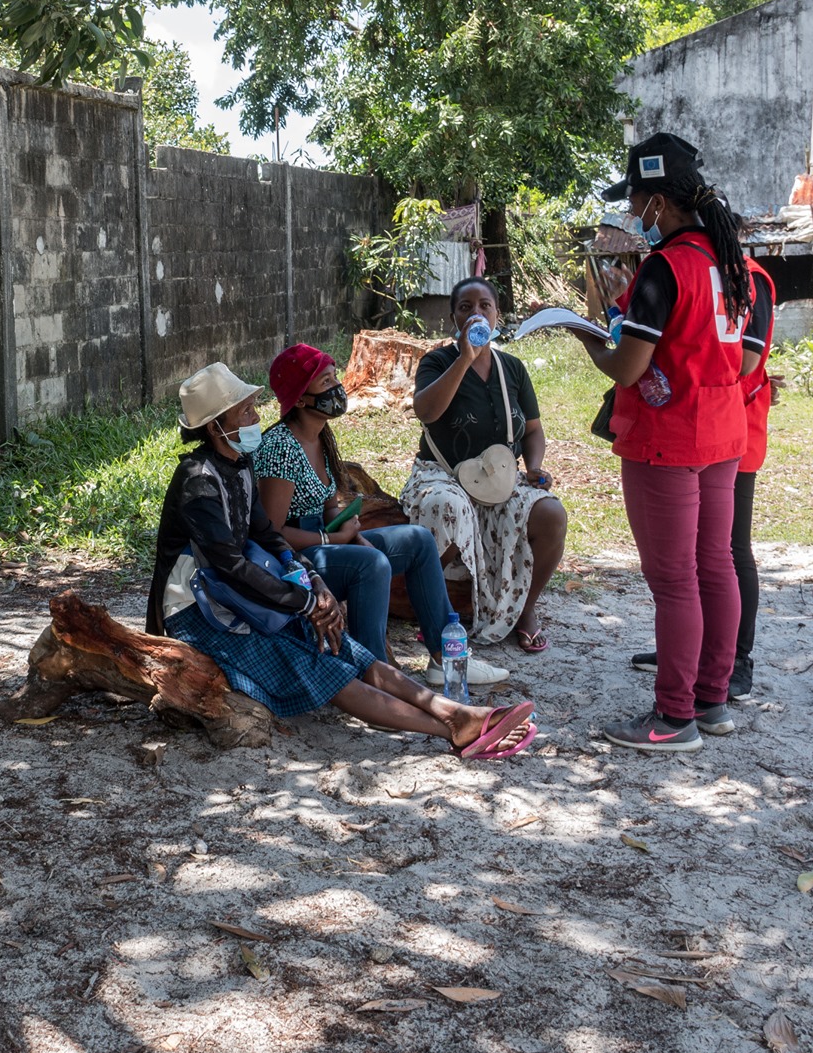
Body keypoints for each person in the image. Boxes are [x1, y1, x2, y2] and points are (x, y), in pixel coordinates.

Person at [147, 361, 535, 760]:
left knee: (342, 647)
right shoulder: (199, 481)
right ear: (216, 426)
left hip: (236, 594)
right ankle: (451, 729)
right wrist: (305, 602)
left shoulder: (237, 464)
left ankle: (453, 710)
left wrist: (312, 582)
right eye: (245, 411)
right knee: (313, 660)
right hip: (198, 611)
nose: (255, 418)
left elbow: (265, 534)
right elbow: (227, 565)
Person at [574, 133, 752, 753]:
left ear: (656, 202)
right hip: (723, 430)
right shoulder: (728, 259)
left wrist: (584, 337)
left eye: (637, 202)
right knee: (715, 566)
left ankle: (673, 718)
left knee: (674, 580)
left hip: (668, 437)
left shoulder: (665, 268)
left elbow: (627, 368)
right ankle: (713, 700)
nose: (632, 215)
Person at [252, 343, 467, 686]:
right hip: (293, 560)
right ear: (301, 397)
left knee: (418, 539)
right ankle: (374, 674)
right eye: (325, 382)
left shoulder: (319, 436)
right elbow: (270, 532)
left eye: (334, 377)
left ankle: (445, 659)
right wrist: (333, 539)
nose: (337, 388)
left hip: (327, 542)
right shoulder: (281, 446)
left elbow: (327, 504)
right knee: (372, 564)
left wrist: (353, 532)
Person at [401, 278, 568, 671]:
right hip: (443, 474)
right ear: (453, 317)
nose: (476, 313)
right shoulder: (437, 362)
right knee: (446, 506)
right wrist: (464, 358)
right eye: (466, 307)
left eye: (485, 306)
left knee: (551, 514)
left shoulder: (512, 368)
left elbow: (532, 429)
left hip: (501, 477)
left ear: (497, 314)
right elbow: (426, 412)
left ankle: (525, 611)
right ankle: (434, 612)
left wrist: (535, 467)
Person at [629, 258, 776, 699]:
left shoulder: (741, 274)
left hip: (724, 425)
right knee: (697, 558)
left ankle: (734, 661)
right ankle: (692, 654)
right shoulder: (698, 267)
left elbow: (748, 358)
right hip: (708, 425)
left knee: (725, 551)